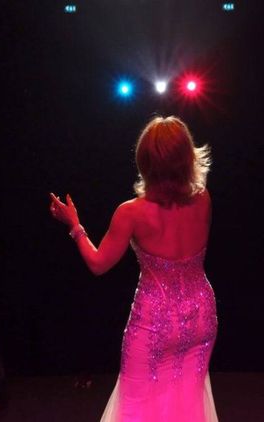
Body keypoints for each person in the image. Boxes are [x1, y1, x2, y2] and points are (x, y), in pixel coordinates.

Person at [49, 116, 218, 421]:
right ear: (187, 158)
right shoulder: (203, 200)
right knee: (186, 403)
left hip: (154, 325)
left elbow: (98, 264)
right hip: (200, 318)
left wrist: (75, 226)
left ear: (145, 162)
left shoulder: (131, 213)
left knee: (137, 407)